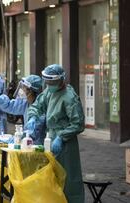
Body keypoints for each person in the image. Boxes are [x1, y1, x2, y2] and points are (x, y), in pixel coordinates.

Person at [27, 64, 85, 203]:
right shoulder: (49, 91)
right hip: (50, 137)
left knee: (67, 178)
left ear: (61, 80)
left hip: (65, 142)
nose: (49, 84)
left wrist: (61, 137)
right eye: (47, 81)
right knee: (51, 176)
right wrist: (33, 117)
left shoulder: (69, 97)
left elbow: (78, 123)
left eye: (52, 82)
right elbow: (37, 105)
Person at [0, 75, 46, 144]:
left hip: (37, 145)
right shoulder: (26, 103)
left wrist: (18, 138)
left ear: (31, 91)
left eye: (24, 88)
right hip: (27, 143)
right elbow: (11, 106)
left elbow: (33, 133)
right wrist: (1, 100)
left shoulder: (40, 107)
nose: (21, 90)